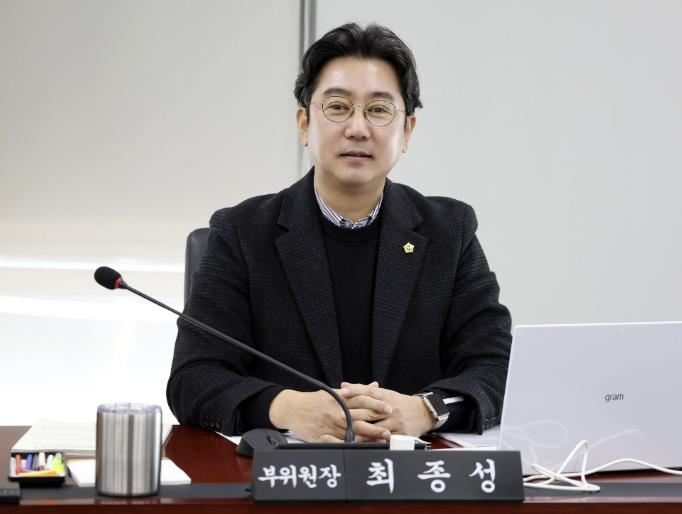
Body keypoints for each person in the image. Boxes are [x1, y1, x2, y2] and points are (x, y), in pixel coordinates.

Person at [167, 23, 511, 443]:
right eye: (338, 106)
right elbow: (193, 377)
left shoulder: (449, 232)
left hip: (413, 474)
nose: (358, 128)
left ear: (407, 131)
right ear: (304, 124)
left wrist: (425, 410)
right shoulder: (242, 232)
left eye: (379, 110)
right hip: (287, 474)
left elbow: (497, 367)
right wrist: (289, 409)